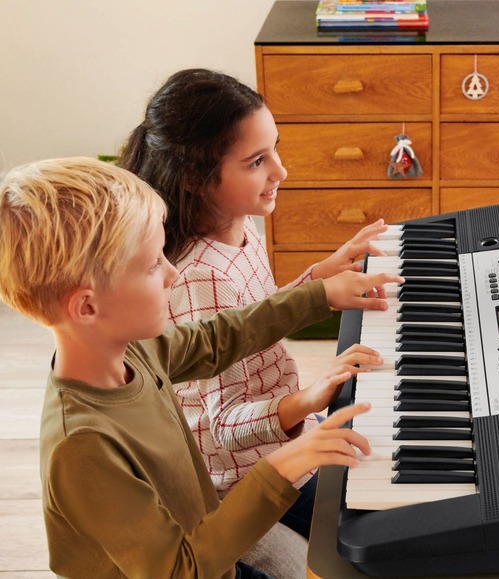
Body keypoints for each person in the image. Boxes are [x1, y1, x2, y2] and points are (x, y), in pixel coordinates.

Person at [0, 157, 403, 578]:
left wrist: (319, 294)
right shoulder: (81, 446)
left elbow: (215, 338)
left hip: (209, 549)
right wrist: (289, 461)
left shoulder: (132, 350)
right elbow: (180, 571)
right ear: (87, 306)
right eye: (153, 264)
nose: (174, 273)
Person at [119, 68, 389, 539]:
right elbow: (219, 428)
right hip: (252, 475)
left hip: (285, 435)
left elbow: (255, 317)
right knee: (381, 529)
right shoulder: (200, 276)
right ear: (194, 179)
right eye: (256, 161)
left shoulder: (239, 227)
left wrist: (323, 273)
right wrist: (310, 396)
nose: (280, 171)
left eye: (275, 149)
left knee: (381, 456)